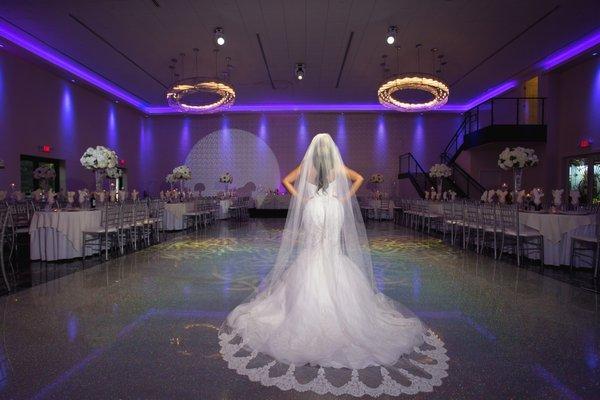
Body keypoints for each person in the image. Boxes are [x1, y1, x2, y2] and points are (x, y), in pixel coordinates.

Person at [219, 133, 448, 397]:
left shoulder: (309, 167)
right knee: (331, 247)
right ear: (331, 151)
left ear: (314, 152)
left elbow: (286, 181)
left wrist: (304, 199)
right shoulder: (337, 168)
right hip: (333, 207)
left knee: (314, 246)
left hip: (315, 207)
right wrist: (342, 198)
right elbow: (359, 178)